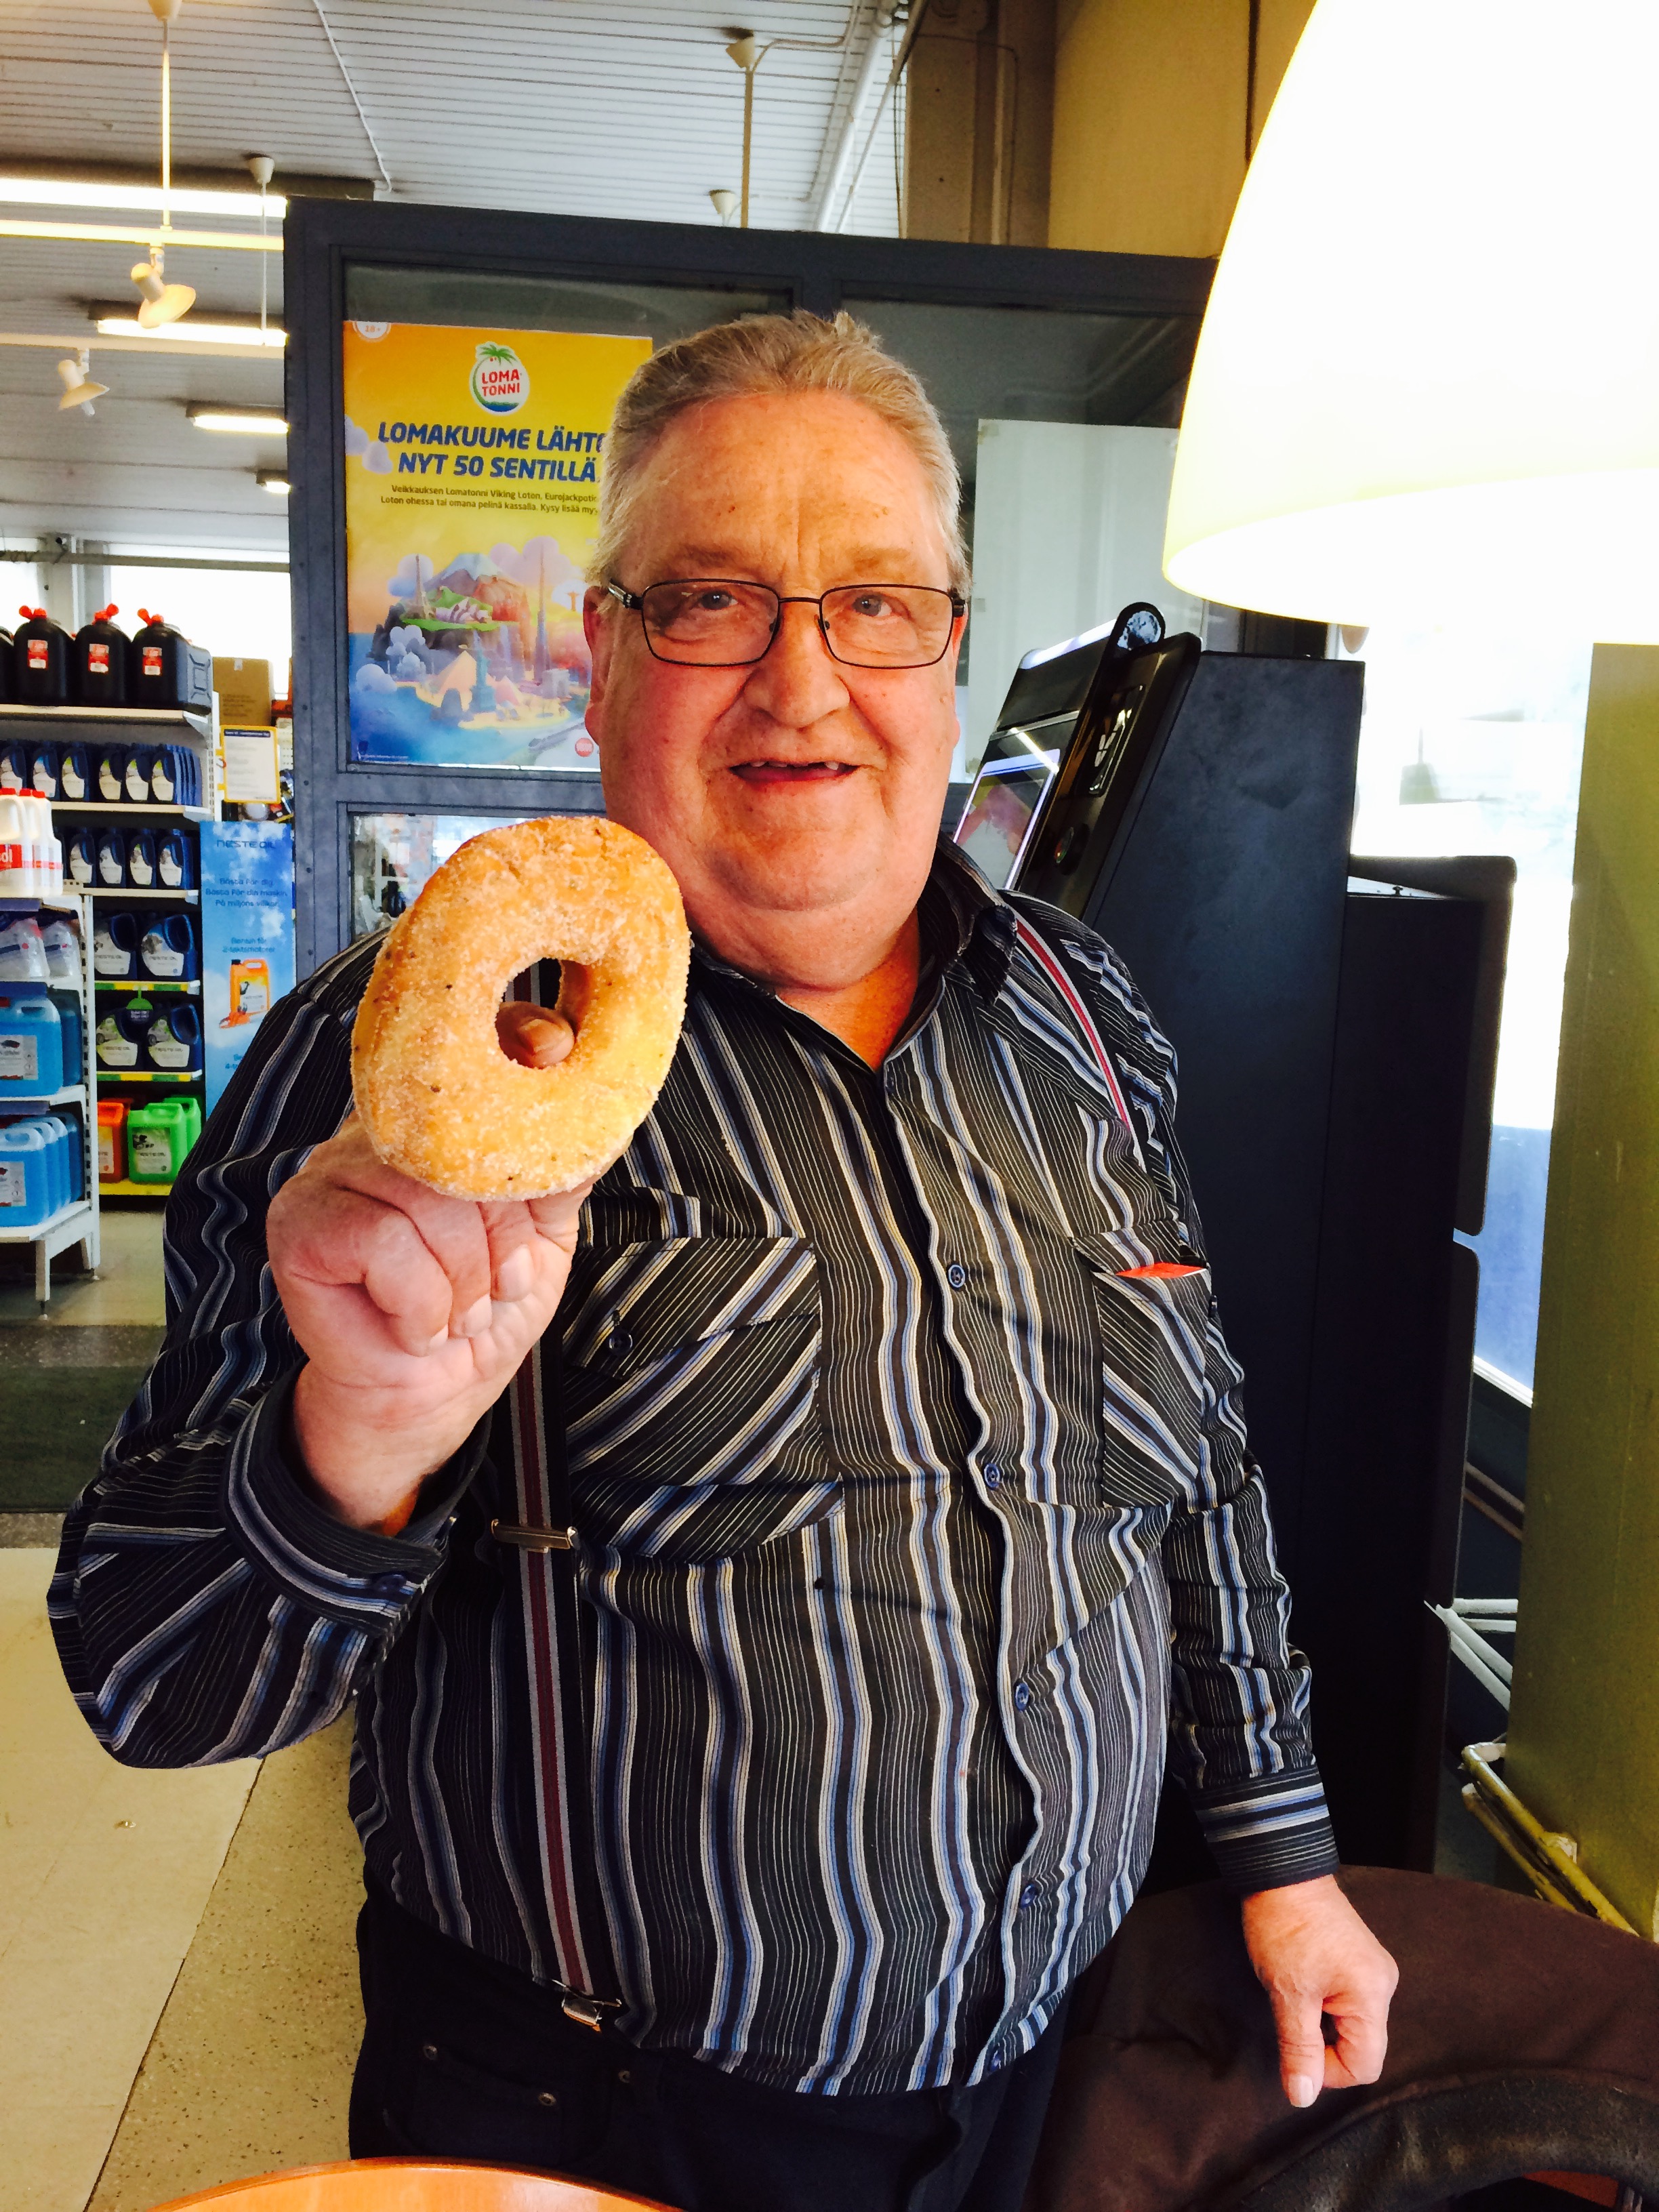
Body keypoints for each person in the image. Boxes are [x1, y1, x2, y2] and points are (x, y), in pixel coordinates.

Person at [50, 312, 1395, 2212]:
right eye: (710, 604)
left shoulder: (1084, 1018)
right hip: (602, 2124)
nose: (803, 681)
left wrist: (1287, 1855)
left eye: (876, 604)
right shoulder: (409, 1063)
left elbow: (1204, 1474)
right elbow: (150, 1679)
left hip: (1043, 2085)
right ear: (602, 661)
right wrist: (353, 1443)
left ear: (949, 650)